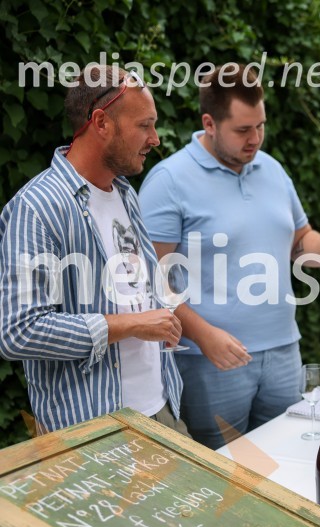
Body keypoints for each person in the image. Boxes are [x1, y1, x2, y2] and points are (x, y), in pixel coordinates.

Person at [139, 63, 320, 449]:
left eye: (260, 126)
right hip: (208, 363)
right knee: (224, 479)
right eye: (243, 130)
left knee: (293, 458)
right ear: (209, 123)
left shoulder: (272, 170)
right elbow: (149, 280)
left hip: (283, 352)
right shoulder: (169, 181)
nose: (255, 139)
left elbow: (300, 241)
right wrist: (204, 335)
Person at [0, 65, 188, 435]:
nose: (155, 139)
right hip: (96, 430)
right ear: (101, 123)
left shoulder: (126, 193)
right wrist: (133, 324)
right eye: (144, 125)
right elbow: (18, 331)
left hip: (161, 408)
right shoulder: (38, 207)